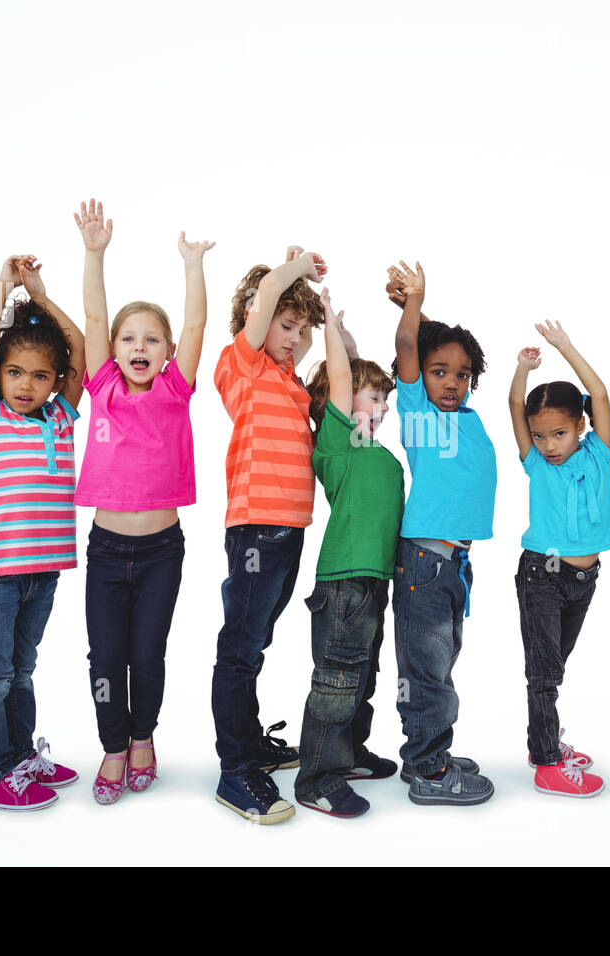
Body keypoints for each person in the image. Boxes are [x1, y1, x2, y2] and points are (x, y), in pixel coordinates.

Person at [72, 199, 208, 804]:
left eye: (152, 338)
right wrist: (95, 253)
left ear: (167, 350)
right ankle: (113, 746)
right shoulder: (102, 387)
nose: (138, 345)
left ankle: (145, 737)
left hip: (160, 551)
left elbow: (198, 328)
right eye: (129, 338)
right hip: (105, 551)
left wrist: (192, 266)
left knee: (146, 653)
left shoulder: (176, 389)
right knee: (107, 658)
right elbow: (94, 315)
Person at [0, 254, 86, 811]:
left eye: (40, 376)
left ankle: (18, 758)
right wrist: (3, 285)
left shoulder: (61, 416)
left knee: (22, 669)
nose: (26, 385)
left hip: (43, 569)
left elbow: (79, 347)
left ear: (56, 382)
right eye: (15, 373)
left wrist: (39, 292)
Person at [212, 246, 326, 823]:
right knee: (238, 647)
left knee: (255, 643)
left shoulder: (288, 380)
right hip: (256, 528)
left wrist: (305, 301)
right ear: (256, 322)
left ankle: (251, 741)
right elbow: (264, 309)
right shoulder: (244, 364)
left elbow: (306, 336)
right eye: (285, 325)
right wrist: (294, 268)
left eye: (299, 329)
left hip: (289, 531)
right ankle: (235, 770)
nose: (293, 337)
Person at [388, 260, 497, 806]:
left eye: (460, 373)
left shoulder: (467, 417)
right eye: (438, 372)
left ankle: (429, 751)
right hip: (425, 562)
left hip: (452, 564)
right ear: (417, 377)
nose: (450, 381)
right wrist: (413, 303)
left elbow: (433, 345)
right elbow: (412, 344)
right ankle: (428, 768)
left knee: (441, 661)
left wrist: (419, 315)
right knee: (427, 670)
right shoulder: (416, 411)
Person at [293, 288, 404, 817]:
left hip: (375, 580)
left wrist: (348, 341)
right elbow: (342, 377)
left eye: (386, 400)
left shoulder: (377, 451)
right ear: (334, 404)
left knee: (363, 676)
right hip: (344, 580)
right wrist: (332, 330)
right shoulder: (337, 442)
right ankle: (317, 775)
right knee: (336, 680)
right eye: (372, 398)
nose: (382, 407)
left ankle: (350, 751)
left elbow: (352, 374)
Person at [509, 320, 610, 798]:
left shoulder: (597, 454)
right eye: (540, 436)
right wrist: (522, 369)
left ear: (581, 426)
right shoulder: (535, 462)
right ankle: (546, 761)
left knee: (554, 667)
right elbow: (516, 405)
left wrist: (564, 347)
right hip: (542, 573)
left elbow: (597, 391)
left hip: (584, 579)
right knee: (543, 673)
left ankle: (547, 740)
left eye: (559, 433)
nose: (549, 444)